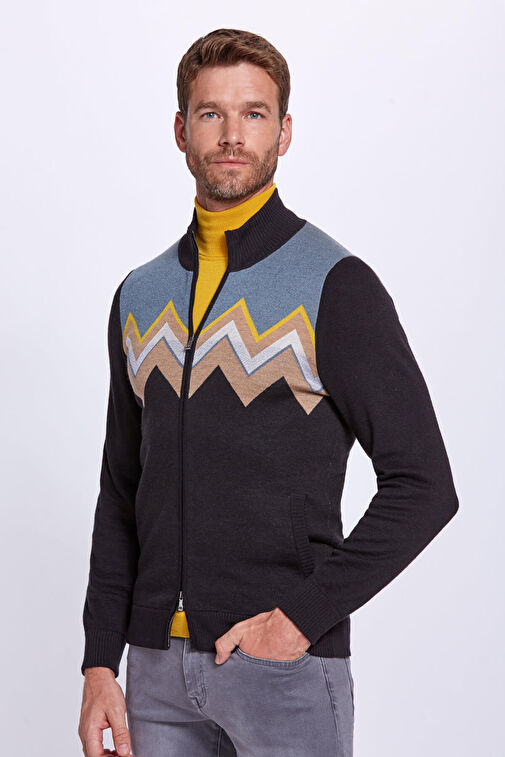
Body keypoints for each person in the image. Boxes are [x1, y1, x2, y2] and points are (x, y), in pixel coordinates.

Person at [78, 27, 459, 757]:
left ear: (283, 132)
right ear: (181, 131)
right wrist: (100, 660)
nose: (231, 135)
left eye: (253, 113)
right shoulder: (139, 295)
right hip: (153, 675)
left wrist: (298, 619)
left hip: (283, 669)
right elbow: (120, 489)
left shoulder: (335, 285)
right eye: (211, 113)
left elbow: (425, 486)